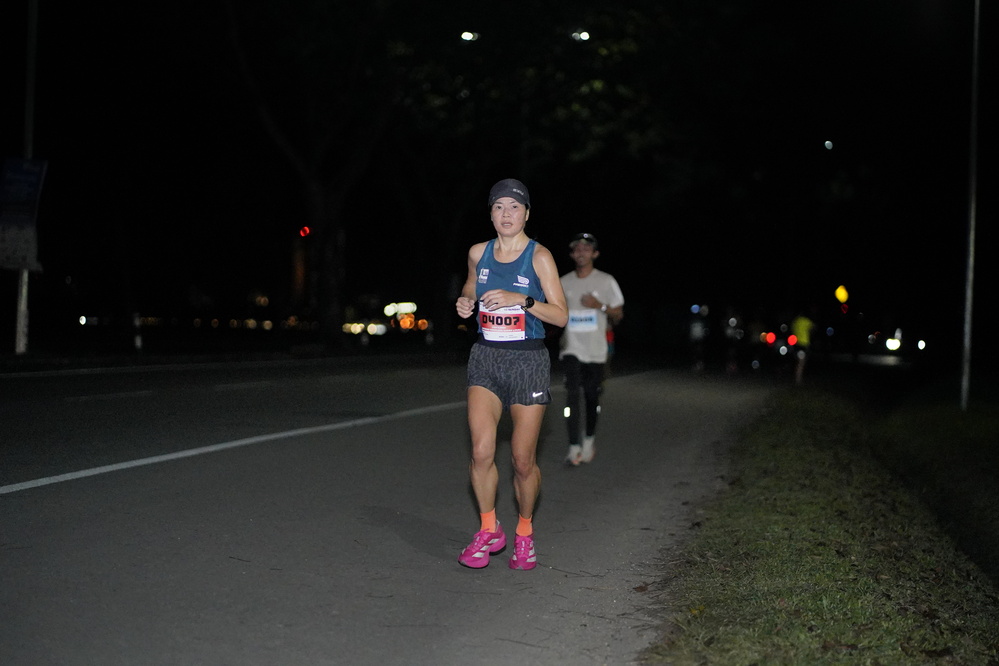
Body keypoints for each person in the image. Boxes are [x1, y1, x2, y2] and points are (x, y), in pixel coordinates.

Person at [455, 178, 568, 570]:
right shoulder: (478, 252)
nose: (506, 213)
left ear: (526, 214)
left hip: (527, 361)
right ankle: (489, 529)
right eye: (499, 206)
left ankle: (524, 532)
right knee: (481, 450)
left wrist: (523, 299)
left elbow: (561, 315)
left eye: (514, 207)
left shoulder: (540, 257)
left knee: (522, 460)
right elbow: (471, 284)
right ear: (490, 213)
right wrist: (466, 300)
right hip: (485, 357)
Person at [558, 233, 624, 466]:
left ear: (595, 254)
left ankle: (588, 440)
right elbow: (555, 311)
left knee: (591, 396)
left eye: (586, 249)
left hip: (596, 350)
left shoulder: (606, 281)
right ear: (572, 254)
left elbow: (618, 314)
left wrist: (599, 306)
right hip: (571, 348)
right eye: (577, 249)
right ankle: (573, 446)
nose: (581, 252)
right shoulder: (563, 282)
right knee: (572, 395)